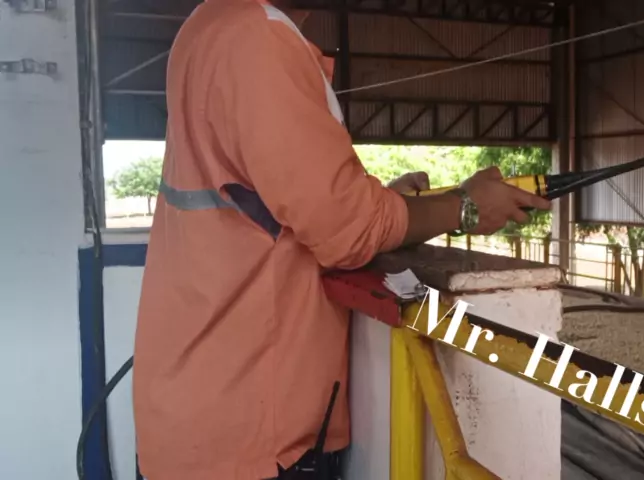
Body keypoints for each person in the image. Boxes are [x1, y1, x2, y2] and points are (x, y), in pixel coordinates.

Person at [131, 0, 552, 479]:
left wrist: (384, 202)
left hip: (196, 413)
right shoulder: (259, 39)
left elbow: (281, 201)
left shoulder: (211, 23)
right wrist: (465, 207)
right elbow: (350, 229)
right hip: (250, 434)